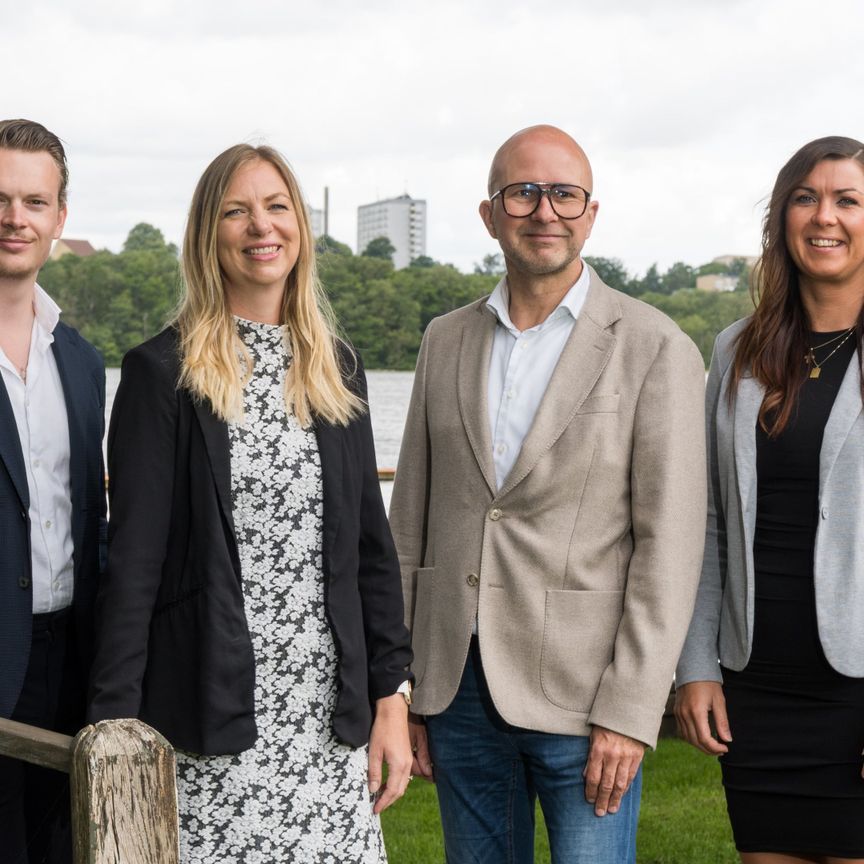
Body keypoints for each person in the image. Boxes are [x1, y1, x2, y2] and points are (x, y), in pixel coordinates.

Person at [389, 124, 707, 864]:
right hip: (457, 689)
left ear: (591, 213)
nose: (544, 211)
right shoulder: (445, 340)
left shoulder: (656, 346)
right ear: (490, 213)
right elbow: (410, 524)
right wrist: (405, 686)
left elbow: (671, 543)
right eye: (523, 192)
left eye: (565, 193)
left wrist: (630, 712)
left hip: (586, 695)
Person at [88, 143, 413, 862]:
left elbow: (370, 553)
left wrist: (392, 693)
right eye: (236, 211)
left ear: (299, 224)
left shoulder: (336, 366)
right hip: (212, 716)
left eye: (276, 207)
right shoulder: (161, 372)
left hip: (330, 723)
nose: (260, 227)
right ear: (209, 234)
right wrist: (112, 726)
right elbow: (135, 565)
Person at [675, 137, 864, 863]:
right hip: (757, 684)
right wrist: (697, 665)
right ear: (783, 217)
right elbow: (709, 521)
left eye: (848, 199)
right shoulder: (735, 351)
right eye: (806, 197)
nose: (826, 217)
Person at [0, 119, 106, 863]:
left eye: (34, 202)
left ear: (59, 217)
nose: (15, 219)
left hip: (71, 658)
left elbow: (86, 517)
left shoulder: (81, 359)